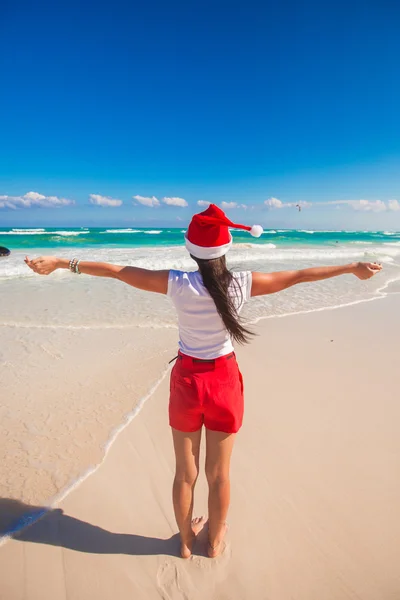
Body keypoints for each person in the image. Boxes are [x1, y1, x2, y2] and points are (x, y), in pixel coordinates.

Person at [24, 203, 382, 559]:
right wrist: (352, 267)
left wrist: (60, 263)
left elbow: (118, 271)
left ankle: (183, 542)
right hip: (224, 381)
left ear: (191, 250)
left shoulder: (177, 284)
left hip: (186, 382)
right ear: (225, 248)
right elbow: (300, 275)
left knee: (185, 473)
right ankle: (214, 541)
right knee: (219, 474)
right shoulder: (243, 283)